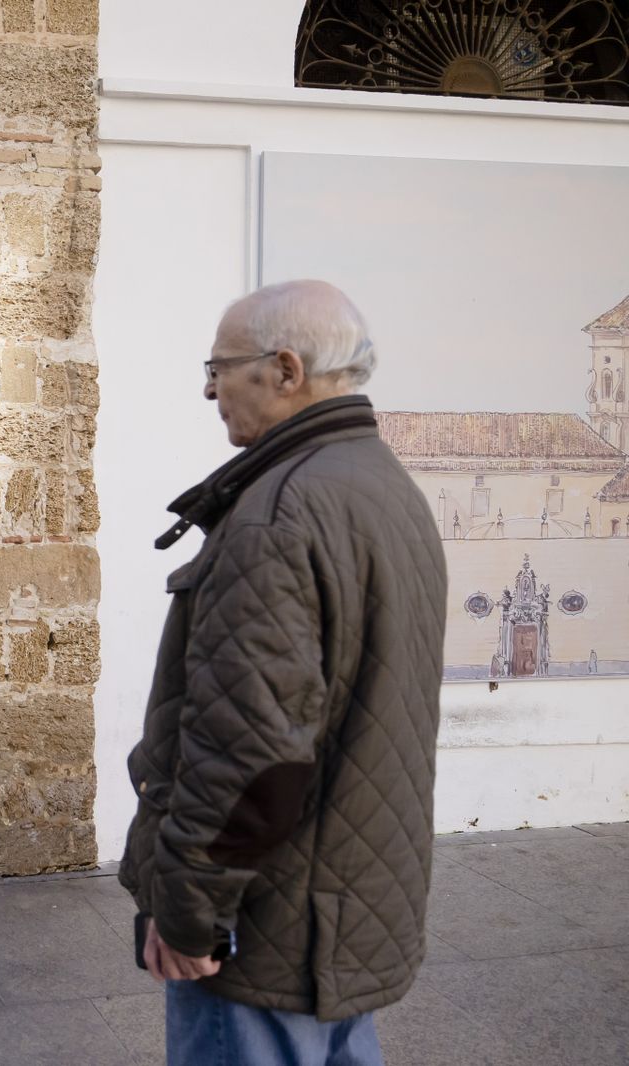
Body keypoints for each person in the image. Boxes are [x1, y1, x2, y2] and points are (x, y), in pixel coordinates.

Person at [119, 280, 447, 1065]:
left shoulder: (280, 512)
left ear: (286, 369)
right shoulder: (381, 485)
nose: (208, 387)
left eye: (219, 366)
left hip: (272, 927)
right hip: (346, 905)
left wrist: (191, 913)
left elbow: (249, 752)